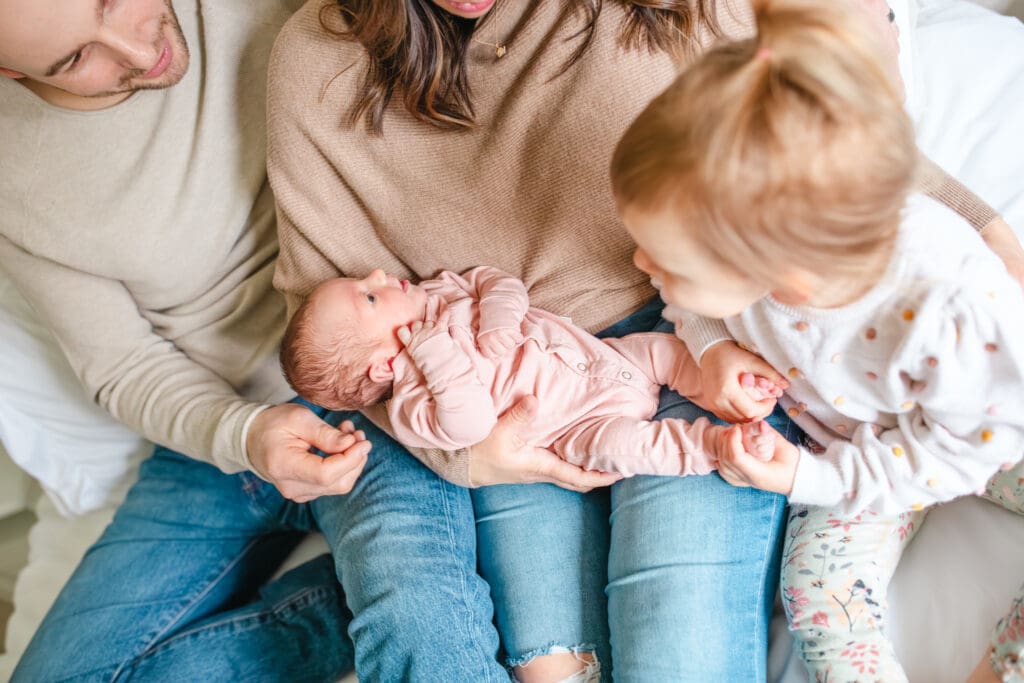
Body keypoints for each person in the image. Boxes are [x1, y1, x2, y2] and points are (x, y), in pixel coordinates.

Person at [263, 0, 1016, 679]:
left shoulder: (902, 310)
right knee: (554, 665)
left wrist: (987, 232)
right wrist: (467, 451)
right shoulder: (316, 64)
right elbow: (335, 345)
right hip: (514, 396)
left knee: (675, 653)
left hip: (693, 342)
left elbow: (813, 127)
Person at [0, 0, 516, 680]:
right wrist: (243, 433)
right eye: (74, 60)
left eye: (114, 2)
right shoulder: (13, 176)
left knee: (418, 624)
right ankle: (353, 605)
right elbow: (122, 365)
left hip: (385, 399)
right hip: (221, 433)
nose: (135, 51)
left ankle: (408, 595)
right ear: (9, 70)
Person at [610, 0, 1024, 680]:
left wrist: (814, 478)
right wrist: (712, 347)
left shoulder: (947, 311)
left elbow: (965, 454)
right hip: (867, 449)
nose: (642, 266)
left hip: (985, 436)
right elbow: (690, 300)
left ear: (786, 281)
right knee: (817, 602)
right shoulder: (758, 258)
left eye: (670, 264)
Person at [281, 266, 786, 476]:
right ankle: (716, 448)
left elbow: (497, 280)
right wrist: (432, 353)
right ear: (386, 364)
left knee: (667, 353)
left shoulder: (440, 292)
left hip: (607, 357)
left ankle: (735, 387)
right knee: (624, 449)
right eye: (370, 296)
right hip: (581, 425)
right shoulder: (414, 407)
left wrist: (499, 315)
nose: (378, 274)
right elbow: (472, 422)